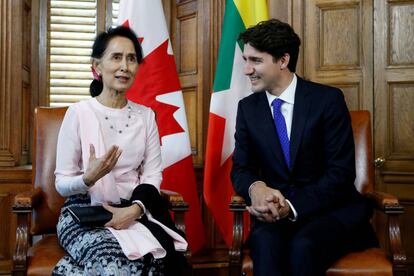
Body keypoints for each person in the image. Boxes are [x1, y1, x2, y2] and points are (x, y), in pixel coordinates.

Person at [231, 19, 377, 276]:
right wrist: (257, 188)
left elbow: (340, 174)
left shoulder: (327, 100)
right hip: (275, 217)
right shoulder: (248, 109)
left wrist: (291, 205)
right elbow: (242, 168)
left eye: (255, 60)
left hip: (329, 211)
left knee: (303, 247)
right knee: (264, 244)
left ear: (283, 60)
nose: (246, 69)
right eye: (246, 60)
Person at [52, 26, 187, 276]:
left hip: (134, 210)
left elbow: (152, 176)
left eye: (132, 58)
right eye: (116, 57)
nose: (125, 66)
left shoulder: (145, 117)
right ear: (97, 66)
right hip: (84, 212)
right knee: (112, 261)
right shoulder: (79, 113)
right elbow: (61, 183)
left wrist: (133, 211)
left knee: (154, 261)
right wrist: (88, 178)